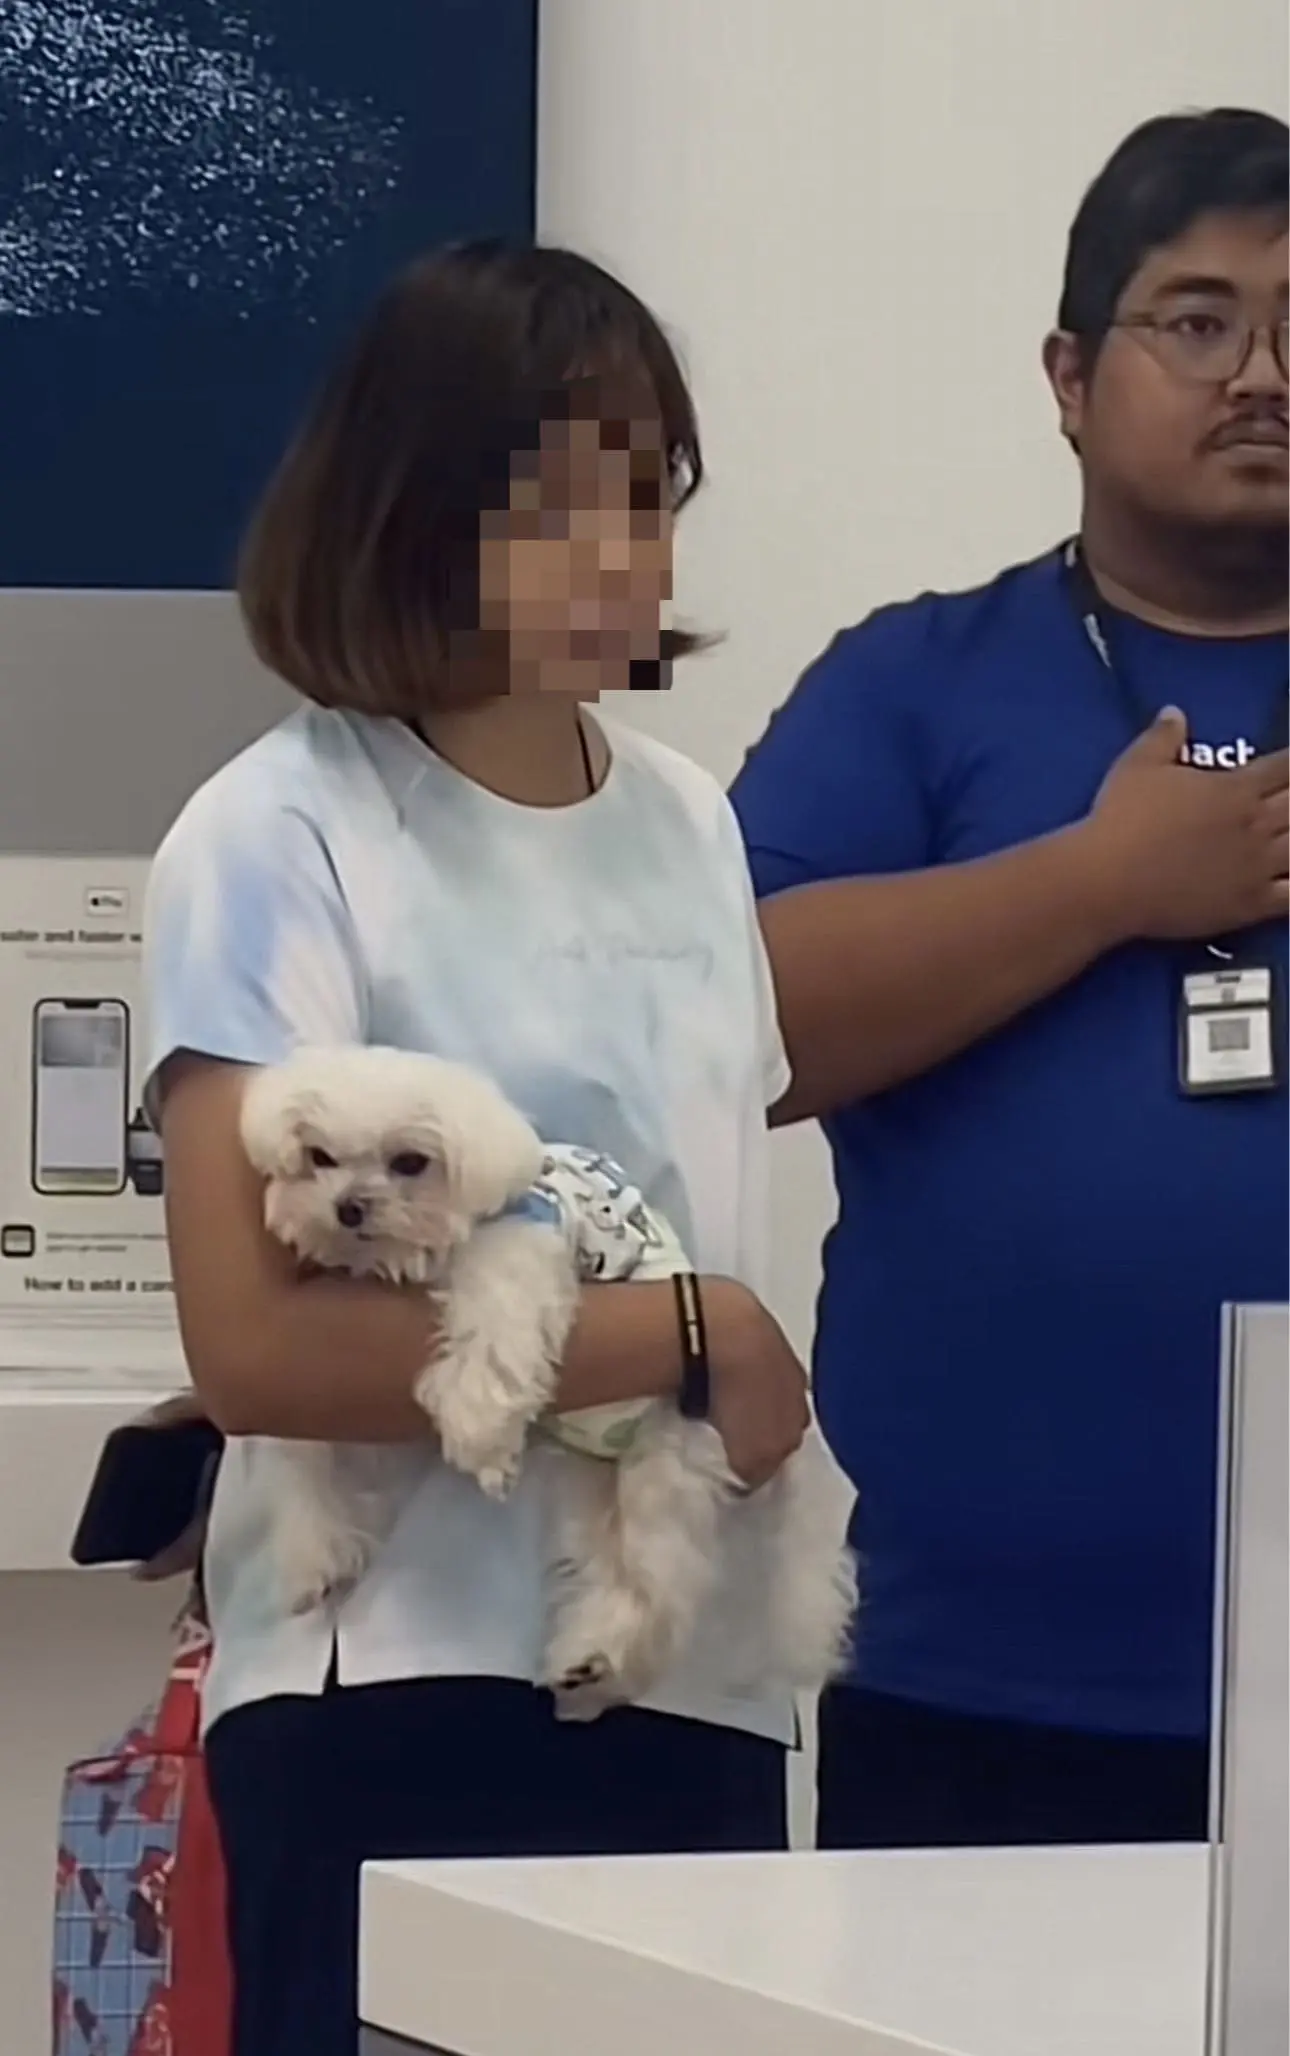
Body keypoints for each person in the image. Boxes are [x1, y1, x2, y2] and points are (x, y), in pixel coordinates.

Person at [142, 242, 810, 2056]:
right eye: (561, 501)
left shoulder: (688, 826)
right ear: (417, 509)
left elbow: (690, 1204)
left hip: (689, 1671)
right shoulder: (276, 828)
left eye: (649, 494)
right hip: (395, 1682)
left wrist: (709, 1352)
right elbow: (258, 1346)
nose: (628, 553)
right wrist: (697, 1335)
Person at [731, 107, 1289, 1850]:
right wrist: (1099, 884)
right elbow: (738, 1023)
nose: (1257, 373)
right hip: (983, 1687)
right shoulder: (912, 685)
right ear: (1067, 372)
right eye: (1194, 321)